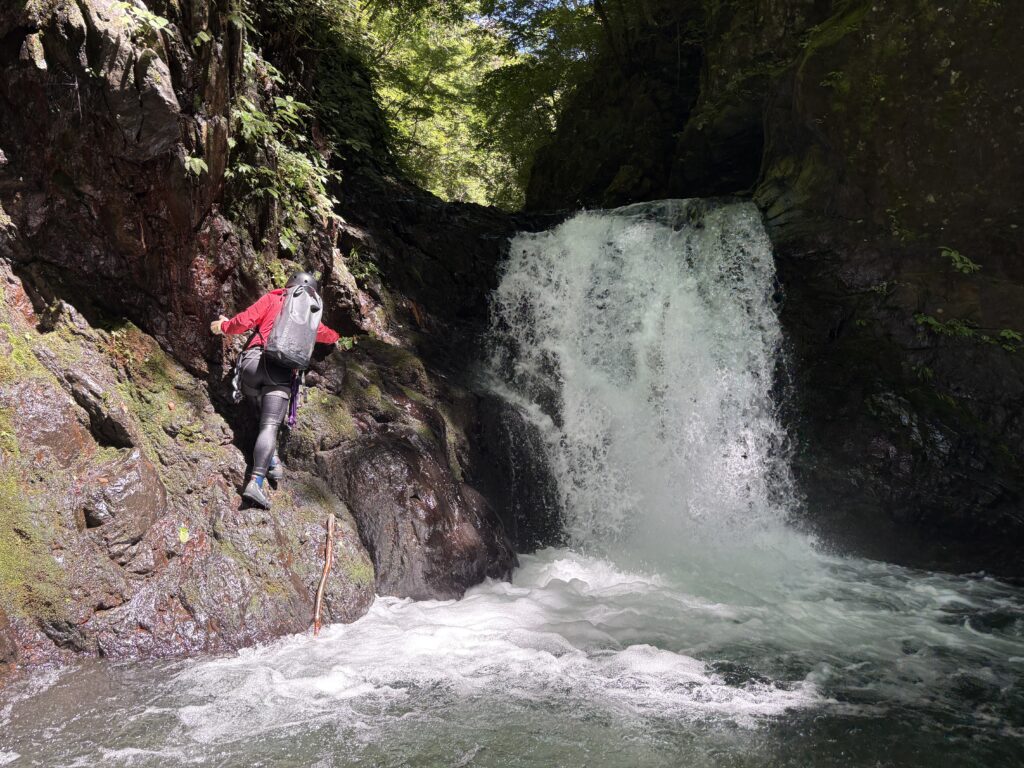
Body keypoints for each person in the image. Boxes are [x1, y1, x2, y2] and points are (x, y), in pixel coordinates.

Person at [210, 271, 340, 509]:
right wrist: (336, 337)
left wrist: (224, 326)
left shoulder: (274, 298)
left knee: (257, 406)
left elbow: (245, 320)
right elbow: (328, 335)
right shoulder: (311, 313)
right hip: (280, 374)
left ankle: (273, 461)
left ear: (289, 284)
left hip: (252, 364)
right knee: (270, 425)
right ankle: (257, 481)